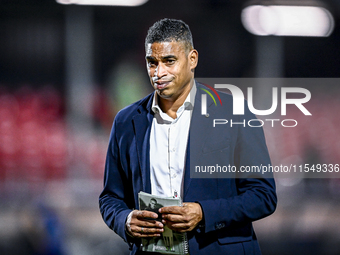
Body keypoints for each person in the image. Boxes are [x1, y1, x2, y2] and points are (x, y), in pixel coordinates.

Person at [99, 18, 277, 254]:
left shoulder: (234, 112)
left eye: (169, 61)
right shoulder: (125, 121)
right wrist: (126, 220)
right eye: (152, 63)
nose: (159, 72)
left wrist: (203, 213)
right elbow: (110, 197)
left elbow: (263, 195)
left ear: (192, 59)